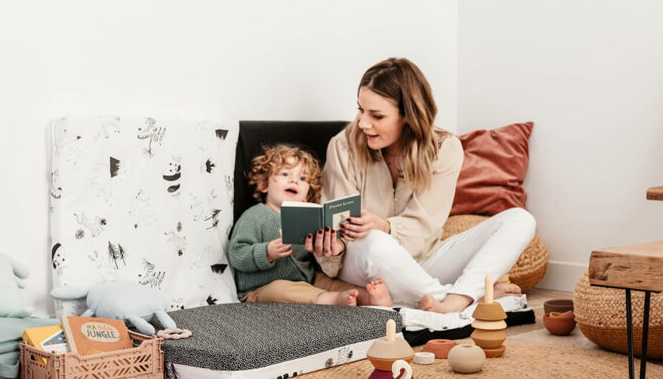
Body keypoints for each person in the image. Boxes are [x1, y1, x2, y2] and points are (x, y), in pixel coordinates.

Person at [319, 57, 536, 313]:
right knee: (376, 242)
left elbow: (425, 228)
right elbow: (340, 227)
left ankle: (450, 299)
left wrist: (386, 225)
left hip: (424, 258)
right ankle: (462, 299)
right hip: (365, 260)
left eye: (376, 115)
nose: (363, 123)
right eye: (360, 110)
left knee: (520, 220)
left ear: (408, 116)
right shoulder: (342, 146)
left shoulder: (444, 149)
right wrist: (332, 245)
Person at [228, 144, 393, 307]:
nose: (294, 180)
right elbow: (236, 254)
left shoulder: (306, 218)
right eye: (285, 174)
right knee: (281, 290)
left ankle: (368, 297)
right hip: (262, 288)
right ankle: (333, 300)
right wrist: (267, 252)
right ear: (263, 184)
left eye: (302, 178)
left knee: (328, 282)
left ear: (307, 196)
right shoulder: (255, 216)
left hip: (307, 278)